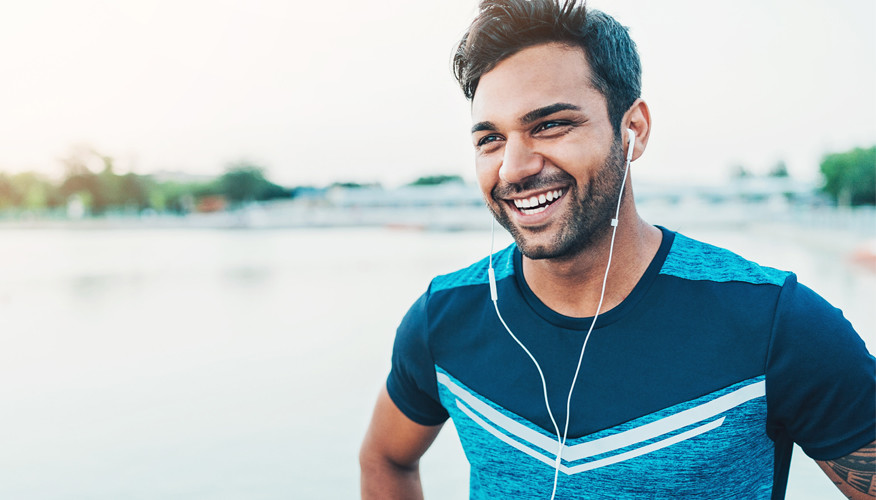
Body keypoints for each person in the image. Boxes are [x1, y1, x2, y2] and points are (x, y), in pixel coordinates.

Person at [359, 0, 876, 498]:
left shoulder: (773, 321)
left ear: (633, 130)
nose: (513, 168)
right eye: (490, 139)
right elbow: (385, 458)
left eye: (550, 125)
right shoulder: (444, 317)